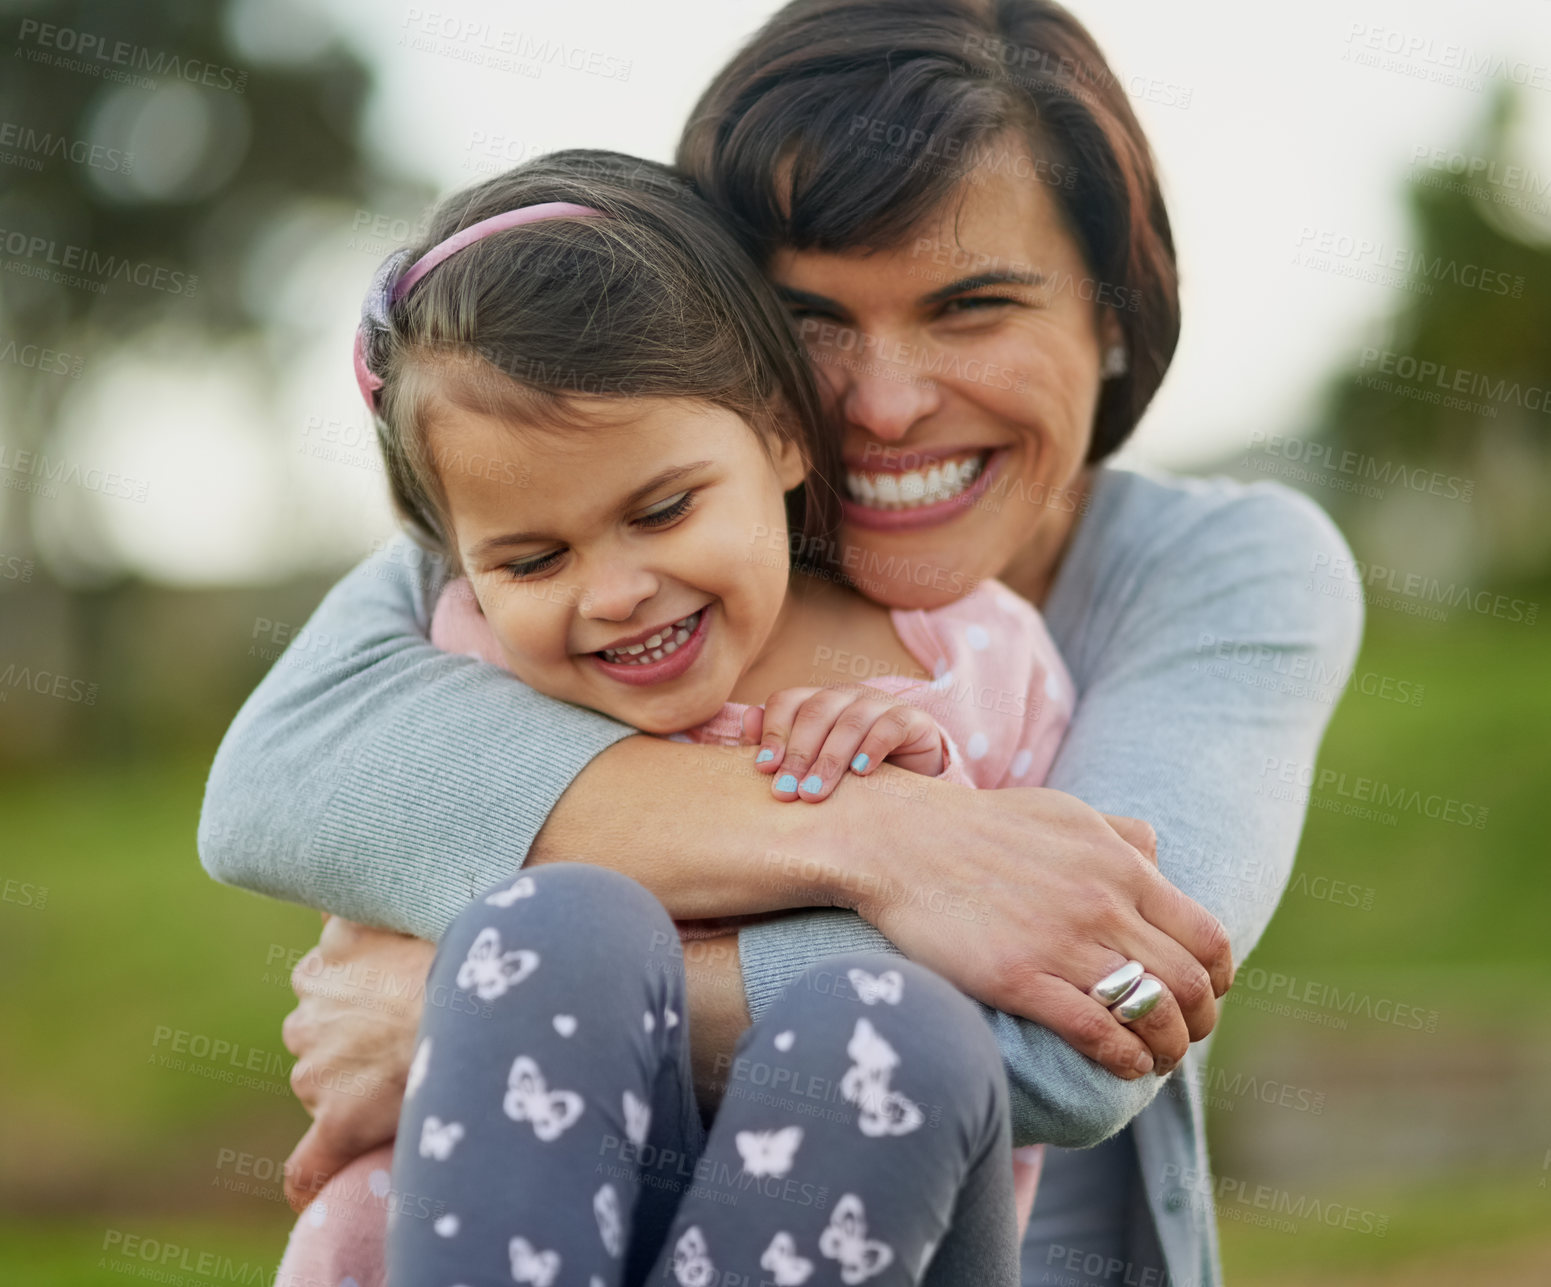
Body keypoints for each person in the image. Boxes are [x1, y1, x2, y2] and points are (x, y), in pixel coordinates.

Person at [200, 3, 1363, 1285]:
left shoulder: (1218, 570)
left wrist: (474, 1009)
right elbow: (279, 774)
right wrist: (883, 841)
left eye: (973, 308)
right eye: (812, 317)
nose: (884, 401)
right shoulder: (578, 515)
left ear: (1113, 314)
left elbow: (1088, 1024)